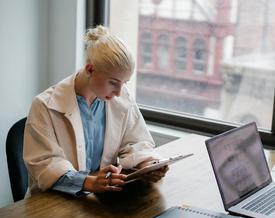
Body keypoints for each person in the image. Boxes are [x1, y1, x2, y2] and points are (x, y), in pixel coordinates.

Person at [23, 25, 168, 197]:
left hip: (100, 199)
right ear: (90, 69)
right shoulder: (44, 106)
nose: (119, 92)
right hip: (52, 203)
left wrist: (147, 164)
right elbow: (45, 165)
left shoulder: (119, 98)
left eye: (124, 83)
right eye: (113, 82)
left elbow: (134, 142)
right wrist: (89, 182)